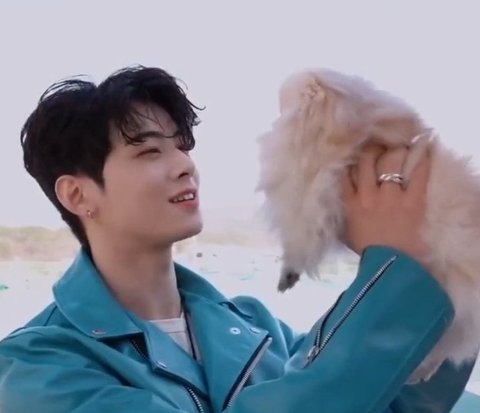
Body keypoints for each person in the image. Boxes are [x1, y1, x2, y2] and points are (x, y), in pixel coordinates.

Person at [0, 65, 477, 413]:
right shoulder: (37, 367)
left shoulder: (252, 325)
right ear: (78, 194)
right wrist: (390, 277)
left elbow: (391, 404)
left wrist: (450, 262)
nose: (185, 165)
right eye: (149, 152)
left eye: (182, 146)